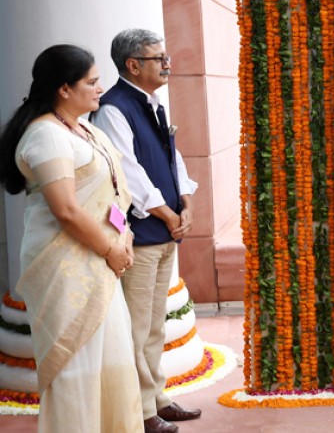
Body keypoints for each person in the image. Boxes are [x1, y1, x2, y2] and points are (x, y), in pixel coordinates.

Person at [0, 45, 142, 432]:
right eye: (92, 82)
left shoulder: (84, 128)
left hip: (101, 261)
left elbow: (113, 192)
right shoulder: (45, 135)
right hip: (66, 268)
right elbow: (65, 209)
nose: (100, 89)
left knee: (111, 360)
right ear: (64, 89)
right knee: (77, 367)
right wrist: (111, 248)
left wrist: (124, 237)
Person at [91, 29, 200, 433]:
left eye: (165, 57)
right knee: (137, 328)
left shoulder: (153, 104)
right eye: (159, 58)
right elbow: (128, 174)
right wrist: (169, 216)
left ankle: (157, 398)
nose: (167, 64)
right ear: (133, 65)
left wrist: (186, 202)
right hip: (141, 234)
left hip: (166, 232)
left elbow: (172, 158)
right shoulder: (113, 109)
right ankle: (139, 411)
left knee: (155, 324)